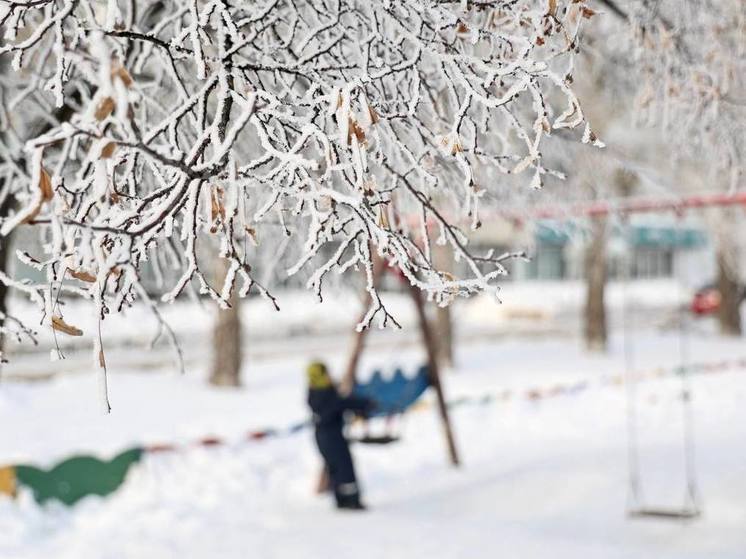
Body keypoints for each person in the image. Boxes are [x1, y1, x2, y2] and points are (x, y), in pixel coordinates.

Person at [306, 361, 374, 510]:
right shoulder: (324, 395)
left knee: (334, 468)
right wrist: (366, 404)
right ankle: (351, 500)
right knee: (344, 467)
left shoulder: (316, 391)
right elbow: (342, 403)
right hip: (332, 437)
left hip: (323, 437)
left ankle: (340, 499)